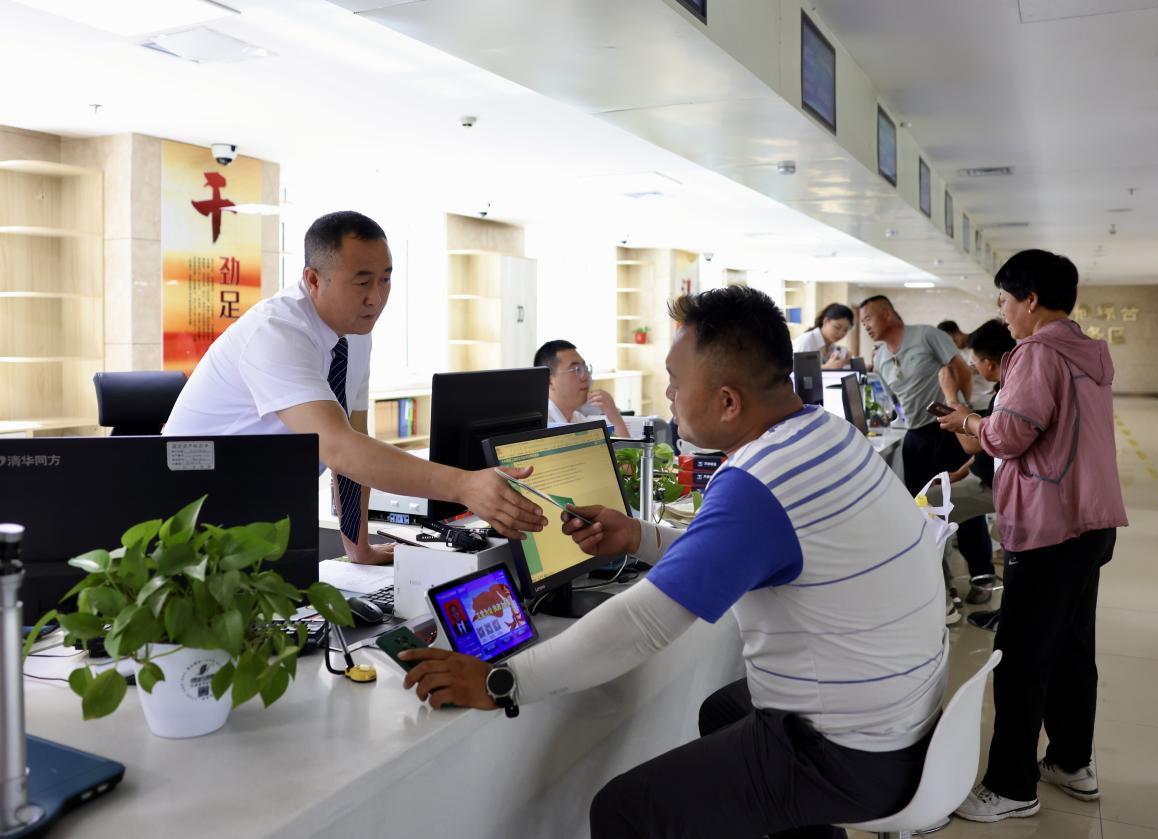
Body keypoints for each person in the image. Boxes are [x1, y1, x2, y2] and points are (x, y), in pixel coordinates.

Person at [402, 285, 948, 839]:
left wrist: (504, 681)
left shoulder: (762, 481)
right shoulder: (826, 435)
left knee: (625, 810)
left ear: (728, 402)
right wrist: (637, 535)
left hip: (850, 753)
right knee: (721, 715)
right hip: (904, 720)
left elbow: (643, 624)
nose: (667, 395)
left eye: (675, 382)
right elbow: (741, 552)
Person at [163, 211, 545, 563]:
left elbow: (354, 438)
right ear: (313, 279)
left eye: (386, 279)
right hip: (191, 517)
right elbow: (339, 449)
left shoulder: (354, 332)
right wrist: (464, 485)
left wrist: (358, 548)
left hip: (262, 507)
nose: (376, 298)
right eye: (362, 281)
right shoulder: (277, 333)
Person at [941, 250, 1128, 823]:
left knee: (1021, 654)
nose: (1002, 311)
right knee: (1072, 648)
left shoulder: (1038, 352)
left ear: (1029, 299)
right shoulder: (1086, 352)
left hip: (1050, 524)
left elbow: (1011, 434)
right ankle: (1071, 762)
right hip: (1090, 520)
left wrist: (968, 421)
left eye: (1003, 299)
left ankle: (1011, 785)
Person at [859, 295, 994, 605]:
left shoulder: (927, 336)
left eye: (868, 318)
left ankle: (981, 575)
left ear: (888, 315)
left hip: (948, 431)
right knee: (924, 508)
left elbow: (959, 368)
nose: (865, 325)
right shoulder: (880, 357)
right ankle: (940, 584)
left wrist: (963, 410)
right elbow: (894, 399)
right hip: (916, 436)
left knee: (964, 506)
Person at [931, 319, 1016, 631]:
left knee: (925, 507)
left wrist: (951, 398)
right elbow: (985, 447)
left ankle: (941, 598)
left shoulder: (1009, 394)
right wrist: (961, 471)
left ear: (989, 363)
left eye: (975, 362)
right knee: (943, 502)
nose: (974, 367)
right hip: (986, 475)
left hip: (1000, 486)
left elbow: (973, 439)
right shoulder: (1005, 389)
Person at [533, 340, 630, 439]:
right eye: (576, 370)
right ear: (549, 381)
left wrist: (614, 416)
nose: (586, 377)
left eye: (585, 368)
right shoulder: (539, 426)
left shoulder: (577, 419)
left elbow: (625, 451)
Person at [937, 319, 996, 410]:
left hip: (989, 400)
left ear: (957, 332)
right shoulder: (954, 354)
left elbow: (994, 363)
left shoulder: (979, 343)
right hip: (970, 404)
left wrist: (971, 369)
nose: (952, 344)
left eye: (952, 339)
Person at [793, 303, 855, 369]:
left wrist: (845, 362)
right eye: (837, 327)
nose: (841, 333)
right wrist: (826, 367)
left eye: (845, 330)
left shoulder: (832, 346)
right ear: (825, 322)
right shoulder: (807, 341)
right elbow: (797, 371)